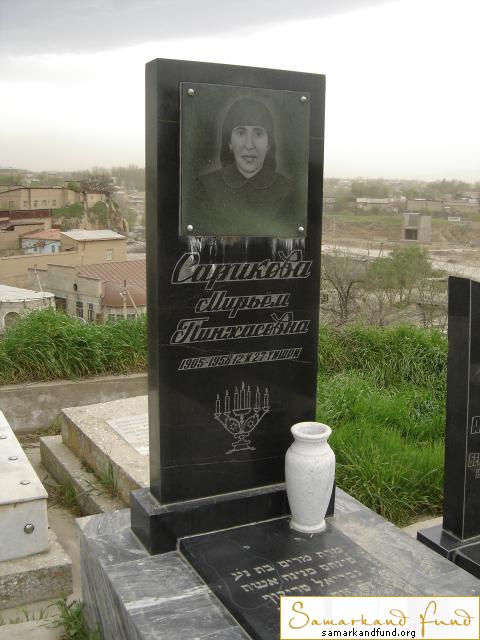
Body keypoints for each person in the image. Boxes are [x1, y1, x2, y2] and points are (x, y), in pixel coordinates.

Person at [192, 98, 294, 237]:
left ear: (269, 144)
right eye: (241, 133)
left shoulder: (288, 191)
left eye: (258, 134)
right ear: (229, 142)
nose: (249, 145)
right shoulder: (204, 187)